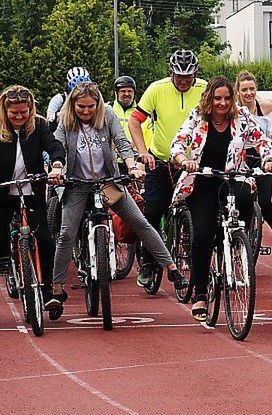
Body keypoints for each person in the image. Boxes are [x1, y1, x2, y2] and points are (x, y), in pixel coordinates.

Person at [50, 82, 187, 311]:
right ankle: (57, 287)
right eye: (81, 107)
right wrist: (56, 168)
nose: (86, 111)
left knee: (139, 221)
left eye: (91, 106)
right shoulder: (65, 121)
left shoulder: (108, 115)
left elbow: (123, 142)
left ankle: (171, 268)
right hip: (76, 184)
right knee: (66, 234)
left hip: (108, 182)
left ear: (98, 104)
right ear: (73, 105)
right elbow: (57, 147)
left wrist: (132, 166)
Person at [170, 77, 272, 321]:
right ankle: (200, 294)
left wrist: (269, 158)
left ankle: (236, 240)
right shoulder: (198, 117)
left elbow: (262, 140)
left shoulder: (242, 116)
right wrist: (183, 160)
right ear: (209, 98)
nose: (222, 103)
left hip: (233, 177)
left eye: (227, 98)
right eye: (217, 98)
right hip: (204, 180)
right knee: (203, 234)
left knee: (247, 199)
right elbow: (178, 143)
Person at [0, 86, 65, 327]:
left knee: (45, 239)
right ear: (5, 110)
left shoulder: (39, 126)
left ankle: (48, 292)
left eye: (24, 112)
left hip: (32, 193)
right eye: (14, 113)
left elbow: (55, 146)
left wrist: (56, 165)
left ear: (31, 109)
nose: (20, 117)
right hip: (2, 194)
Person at [128, 49, 207, 288]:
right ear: (170, 73)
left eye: (188, 76)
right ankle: (148, 262)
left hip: (193, 164)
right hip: (161, 161)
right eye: (179, 76)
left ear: (195, 73)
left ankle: (197, 262)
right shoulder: (157, 89)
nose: (184, 81)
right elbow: (134, 120)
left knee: (200, 213)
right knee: (153, 211)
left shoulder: (204, 89)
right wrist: (143, 151)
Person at [236, 70, 272, 256]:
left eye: (252, 89)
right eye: (244, 90)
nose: (249, 93)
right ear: (238, 91)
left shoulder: (266, 108)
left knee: (265, 200)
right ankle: (241, 239)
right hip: (240, 156)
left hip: (263, 155)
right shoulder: (233, 110)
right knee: (240, 199)